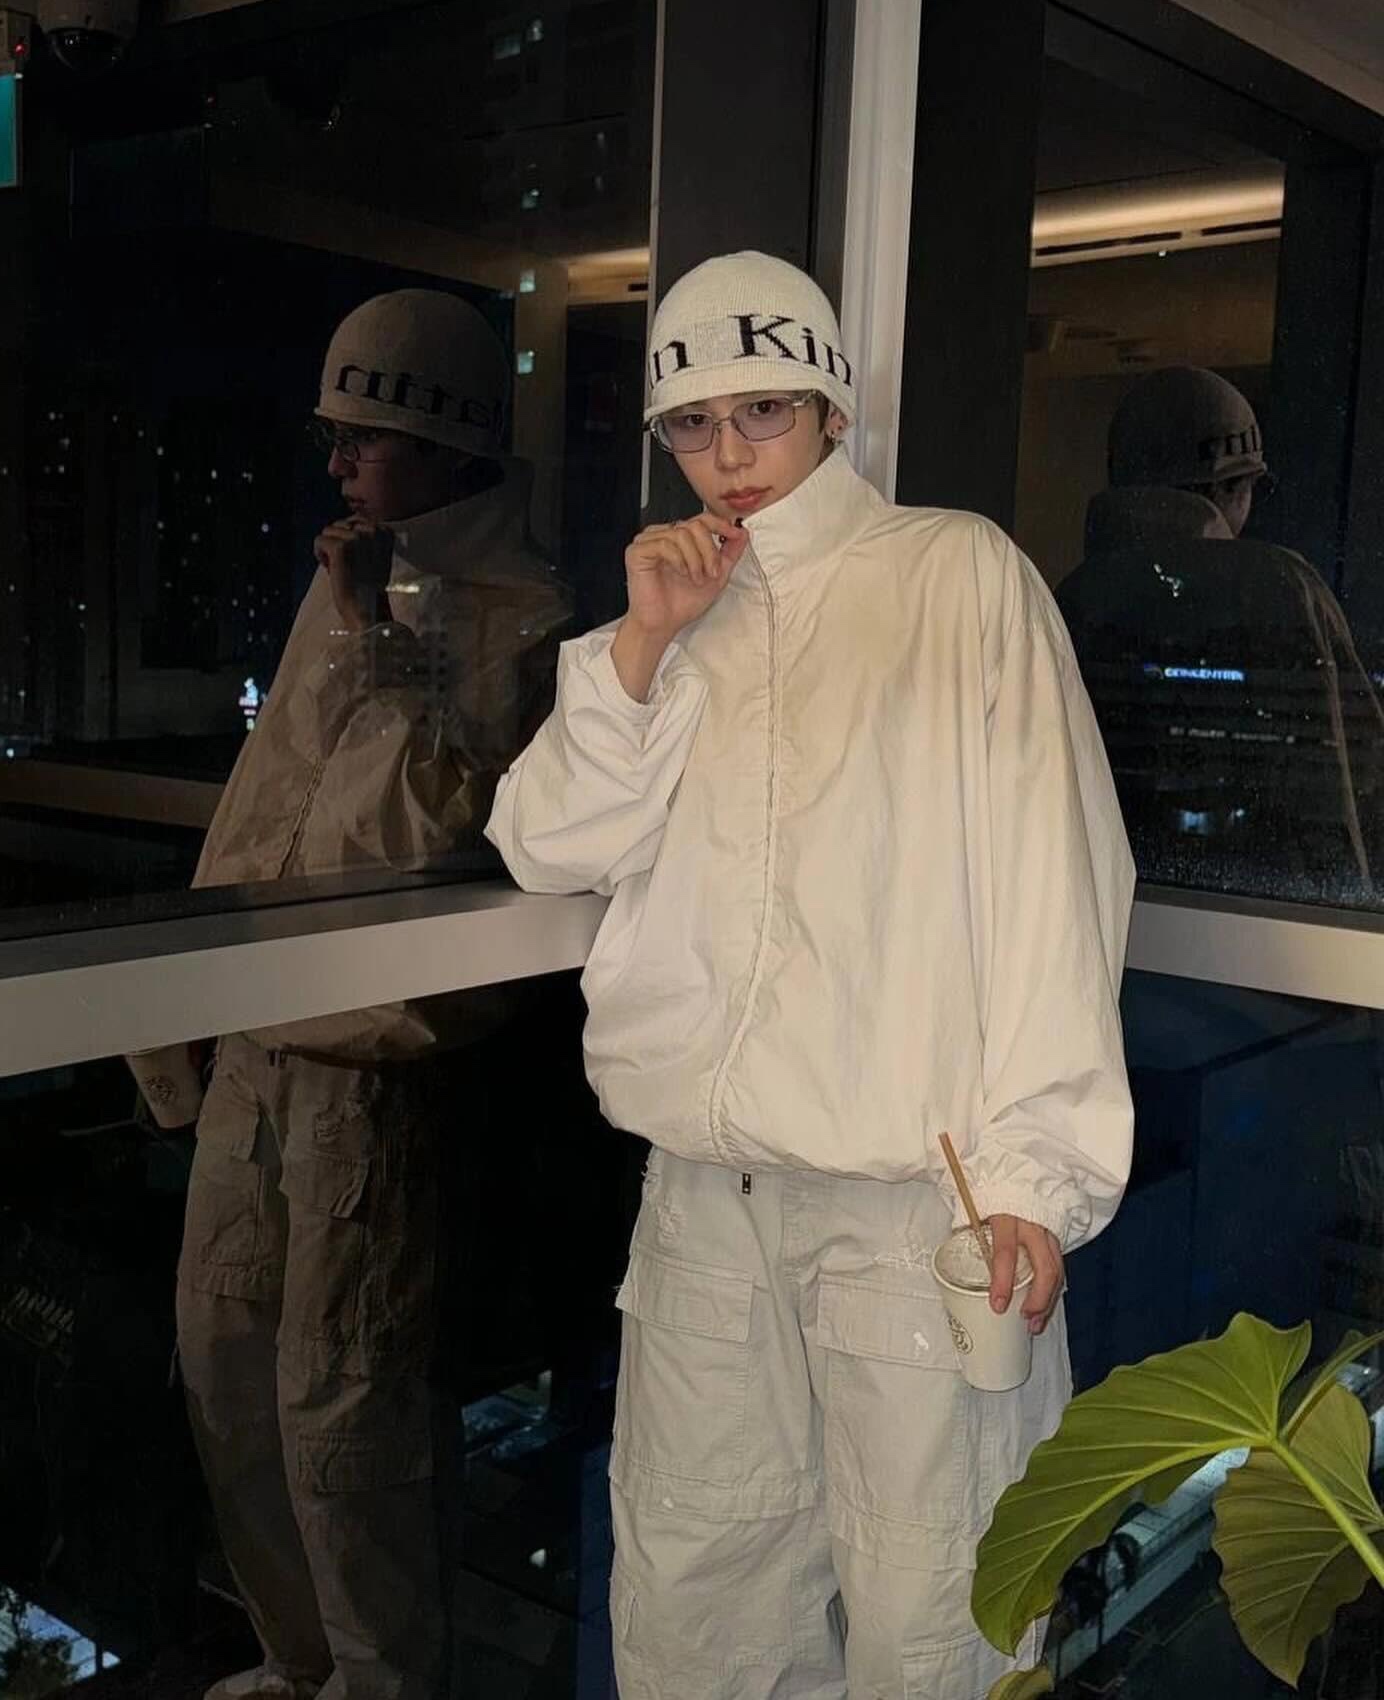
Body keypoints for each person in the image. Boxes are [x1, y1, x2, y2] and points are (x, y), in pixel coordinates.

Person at [485, 251, 1135, 1696]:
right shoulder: (668, 618)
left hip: (916, 1208)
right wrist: (643, 646)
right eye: (693, 424)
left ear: (833, 408)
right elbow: (544, 845)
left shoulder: (954, 574)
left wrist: (1038, 1171)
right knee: (696, 1614)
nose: (729, 456)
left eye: (763, 411)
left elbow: (1061, 876)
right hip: (702, 1209)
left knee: (938, 1623)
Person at [130, 288, 572, 1700]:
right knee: (223, 1362)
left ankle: (378, 1683)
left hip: (373, 1073)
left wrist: (374, 632)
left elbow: (435, 830)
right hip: (261, 1038)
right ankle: (296, 1657)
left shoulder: (526, 618)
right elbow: (266, 801)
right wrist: (181, 1004)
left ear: (445, 445)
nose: (337, 467)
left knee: (347, 1409)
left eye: (360, 440)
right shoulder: (349, 583)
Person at [1056, 365, 1384, 893]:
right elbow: (1359, 769)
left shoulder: (1075, 597)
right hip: (1266, 917)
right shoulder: (1282, 586)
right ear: (1232, 486)